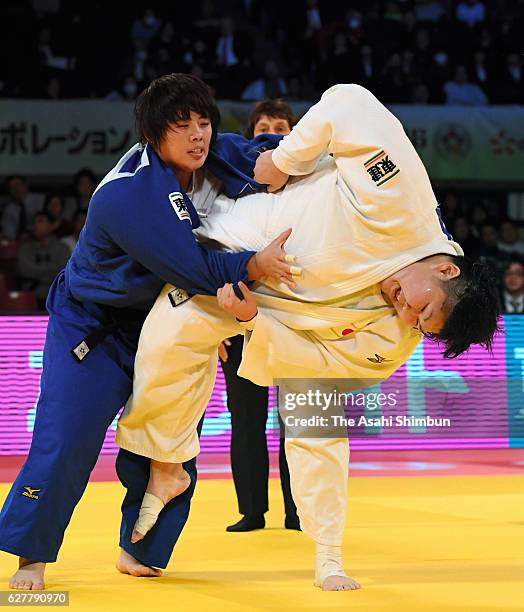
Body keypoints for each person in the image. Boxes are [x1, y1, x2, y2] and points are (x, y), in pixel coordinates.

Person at [115, 84, 500, 591]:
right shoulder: (404, 203)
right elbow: (350, 102)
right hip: (241, 235)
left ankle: (328, 553)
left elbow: (326, 362)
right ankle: (167, 463)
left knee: (317, 419)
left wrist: (254, 322)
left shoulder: (398, 333)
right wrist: (286, 159)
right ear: (447, 269)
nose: (406, 313)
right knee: (166, 341)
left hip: (284, 319)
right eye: (420, 305)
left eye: (420, 325)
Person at [0, 73, 297, 591]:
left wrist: (315, 146)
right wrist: (254, 266)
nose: (197, 135)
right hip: (94, 326)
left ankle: (143, 550)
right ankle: (31, 556)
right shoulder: (129, 193)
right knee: (68, 436)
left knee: (170, 438)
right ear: (154, 135)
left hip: (163, 318)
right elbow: (192, 268)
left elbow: (264, 149)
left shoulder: (214, 155)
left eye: (203, 122)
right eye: (182, 126)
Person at [223, 99, 298, 532]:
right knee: (246, 421)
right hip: (239, 323)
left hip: (294, 322)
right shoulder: (229, 192)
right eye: (263, 127)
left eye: (281, 126)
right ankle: (252, 511)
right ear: (249, 138)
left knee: (299, 423)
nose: (272, 133)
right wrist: (214, 323)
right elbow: (210, 252)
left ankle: (298, 511)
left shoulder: (315, 186)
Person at [17, 212, 71, 309]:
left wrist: (36, 273)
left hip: (57, 299)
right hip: (32, 297)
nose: (35, 225)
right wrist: (51, 270)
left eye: (40, 221)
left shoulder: (63, 248)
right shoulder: (25, 248)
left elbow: (63, 273)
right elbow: (24, 270)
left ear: (52, 226)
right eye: (34, 222)